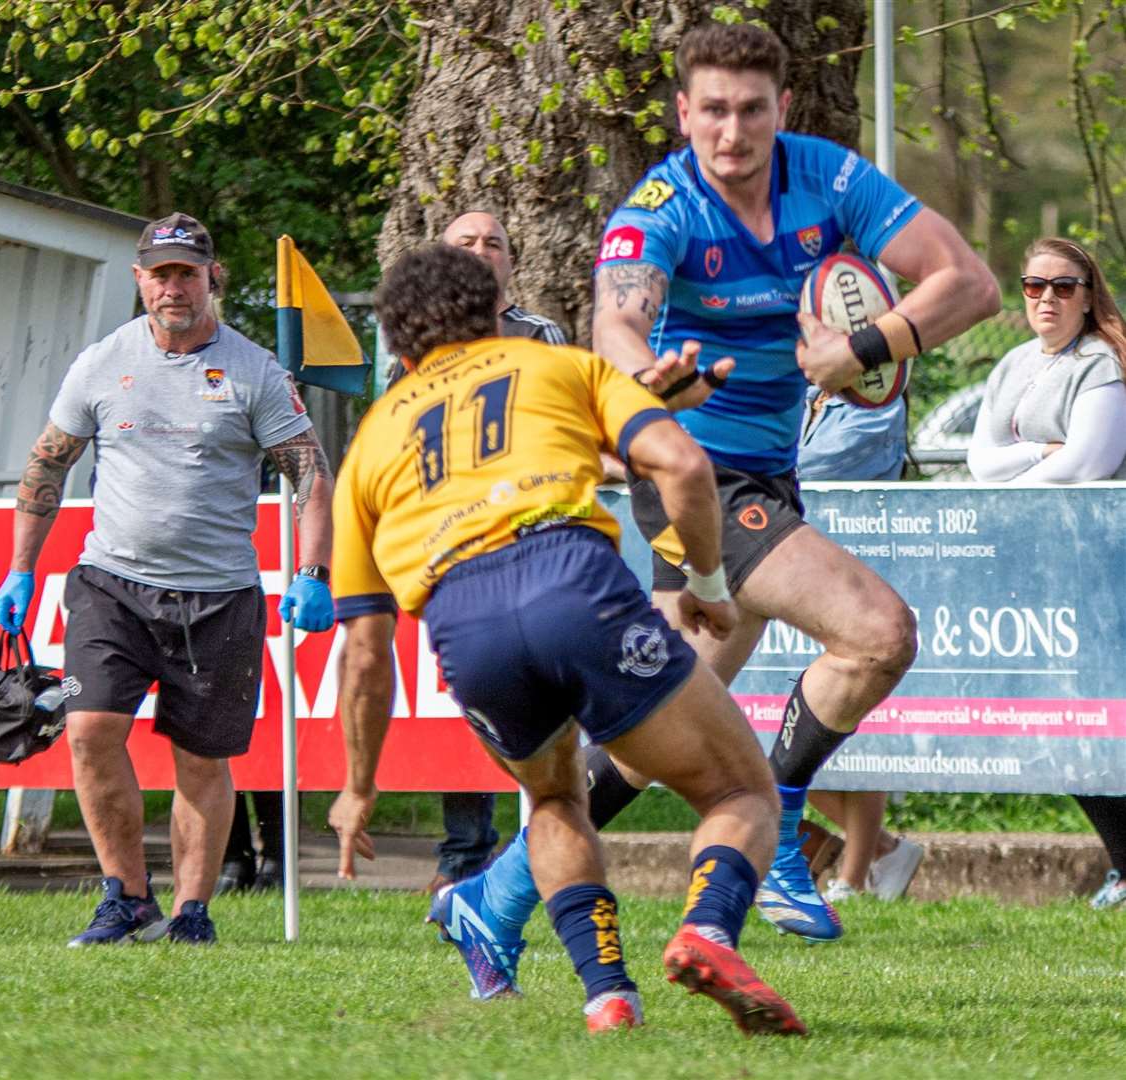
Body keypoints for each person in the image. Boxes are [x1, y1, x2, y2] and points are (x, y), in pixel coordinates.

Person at [445, 20, 1000, 954]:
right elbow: (616, 319)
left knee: (654, 725)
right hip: (697, 474)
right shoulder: (659, 203)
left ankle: (494, 896)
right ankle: (781, 819)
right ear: (682, 113)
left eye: (750, 111)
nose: (731, 133)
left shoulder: (829, 179)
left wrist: (863, 348)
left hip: (771, 471)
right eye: (711, 111)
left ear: (780, 109)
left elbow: (969, 282)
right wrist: (652, 377)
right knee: (877, 633)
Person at [328, 243, 804, 1036]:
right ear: (491, 310)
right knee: (738, 790)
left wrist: (357, 788)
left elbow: (366, 653)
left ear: (401, 348)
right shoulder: (554, 365)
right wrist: (711, 587)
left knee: (553, 797)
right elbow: (681, 467)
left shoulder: (373, 439)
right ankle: (707, 928)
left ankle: (607, 994)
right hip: (569, 581)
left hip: (463, 622)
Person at [0, 212, 336, 945]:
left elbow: (308, 471)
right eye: (160, 272)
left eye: (187, 272)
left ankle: (190, 912)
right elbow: (48, 461)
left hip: (218, 595)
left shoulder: (255, 372)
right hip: (111, 583)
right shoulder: (100, 362)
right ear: (139, 278)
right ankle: (124, 897)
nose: (173, 286)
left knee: (201, 760)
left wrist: (312, 570)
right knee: (87, 730)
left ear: (211, 277)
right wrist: (20, 568)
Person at [387, 210, 567, 895]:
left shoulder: (540, 334)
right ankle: (464, 857)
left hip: (531, 534)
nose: (481, 250)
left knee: (538, 699)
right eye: (466, 241)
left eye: (494, 242)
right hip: (449, 537)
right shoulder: (413, 335)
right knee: (468, 693)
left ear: (510, 265)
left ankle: (538, 851)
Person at [967, 236, 1126, 910]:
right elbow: (979, 458)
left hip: (1100, 565)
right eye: (1034, 286)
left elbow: (1087, 464)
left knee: (1101, 718)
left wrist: (1025, 462)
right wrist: (1039, 448)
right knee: (1065, 723)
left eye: (1063, 287)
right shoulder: (1011, 363)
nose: (1046, 299)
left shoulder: (1102, 364)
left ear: (1087, 296)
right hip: (1042, 566)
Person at [797, 387, 924, 903]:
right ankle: (886, 852)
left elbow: (805, 470)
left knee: (850, 729)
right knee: (783, 736)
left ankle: (851, 877)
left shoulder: (875, 404)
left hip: (857, 581)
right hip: (801, 579)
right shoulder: (805, 397)